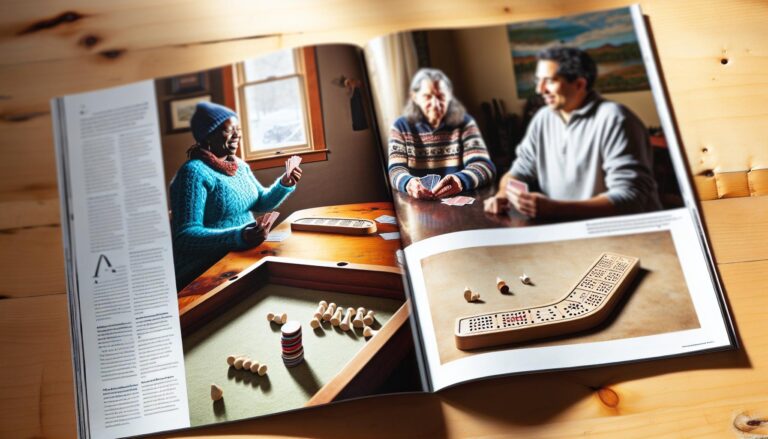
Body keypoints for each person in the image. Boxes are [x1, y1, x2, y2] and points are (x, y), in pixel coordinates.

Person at [484, 47, 661, 219]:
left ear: (579, 84)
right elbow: (520, 170)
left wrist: (555, 209)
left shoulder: (615, 119)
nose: (540, 90)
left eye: (550, 81)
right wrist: (502, 195)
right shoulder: (543, 118)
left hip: (626, 234)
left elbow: (630, 199)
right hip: (570, 228)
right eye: (538, 80)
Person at [170, 102, 302, 290]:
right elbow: (185, 237)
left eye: (238, 129)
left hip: (241, 254)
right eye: (229, 130)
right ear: (208, 135)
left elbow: (261, 201)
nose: (237, 134)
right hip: (206, 268)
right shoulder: (193, 173)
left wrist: (284, 184)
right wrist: (239, 236)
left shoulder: (239, 165)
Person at [388, 68, 496, 200]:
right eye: (427, 96)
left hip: (459, 203)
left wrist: (460, 180)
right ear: (415, 97)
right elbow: (395, 171)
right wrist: (408, 183)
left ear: (449, 96)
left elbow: (486, 166)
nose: (435, 104)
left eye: (441, 97)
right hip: (417, 204)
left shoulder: (465, 123)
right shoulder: (401, 126)